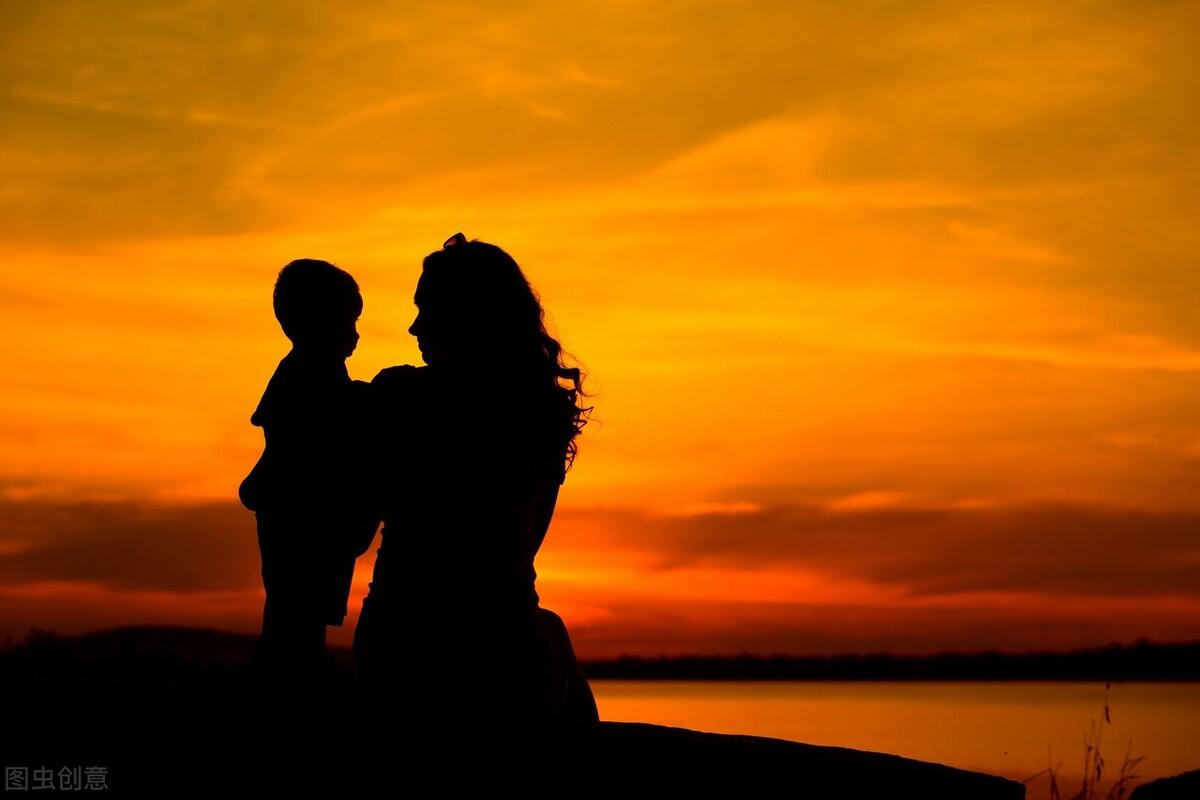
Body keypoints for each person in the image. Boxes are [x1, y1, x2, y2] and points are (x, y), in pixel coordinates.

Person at [353, 233, 599, 737]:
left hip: (402, 650)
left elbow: (353, 532)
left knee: (548, 630)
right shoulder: (539, 413)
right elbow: (524, 546)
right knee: (548, 632)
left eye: (426, 310)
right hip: (503, 658)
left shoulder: (399, 396)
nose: (414, 326)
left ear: (465, 318)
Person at [239, 258, 379, 680]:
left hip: (299, 510)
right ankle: (293, 676)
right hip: (300, 512)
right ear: (320, 319)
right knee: (295, 607)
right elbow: (318, 429)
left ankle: (297, 668)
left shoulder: (316, 371)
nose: (355, 334)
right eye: (348, 321)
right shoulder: (308, 373)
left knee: (296, 608)